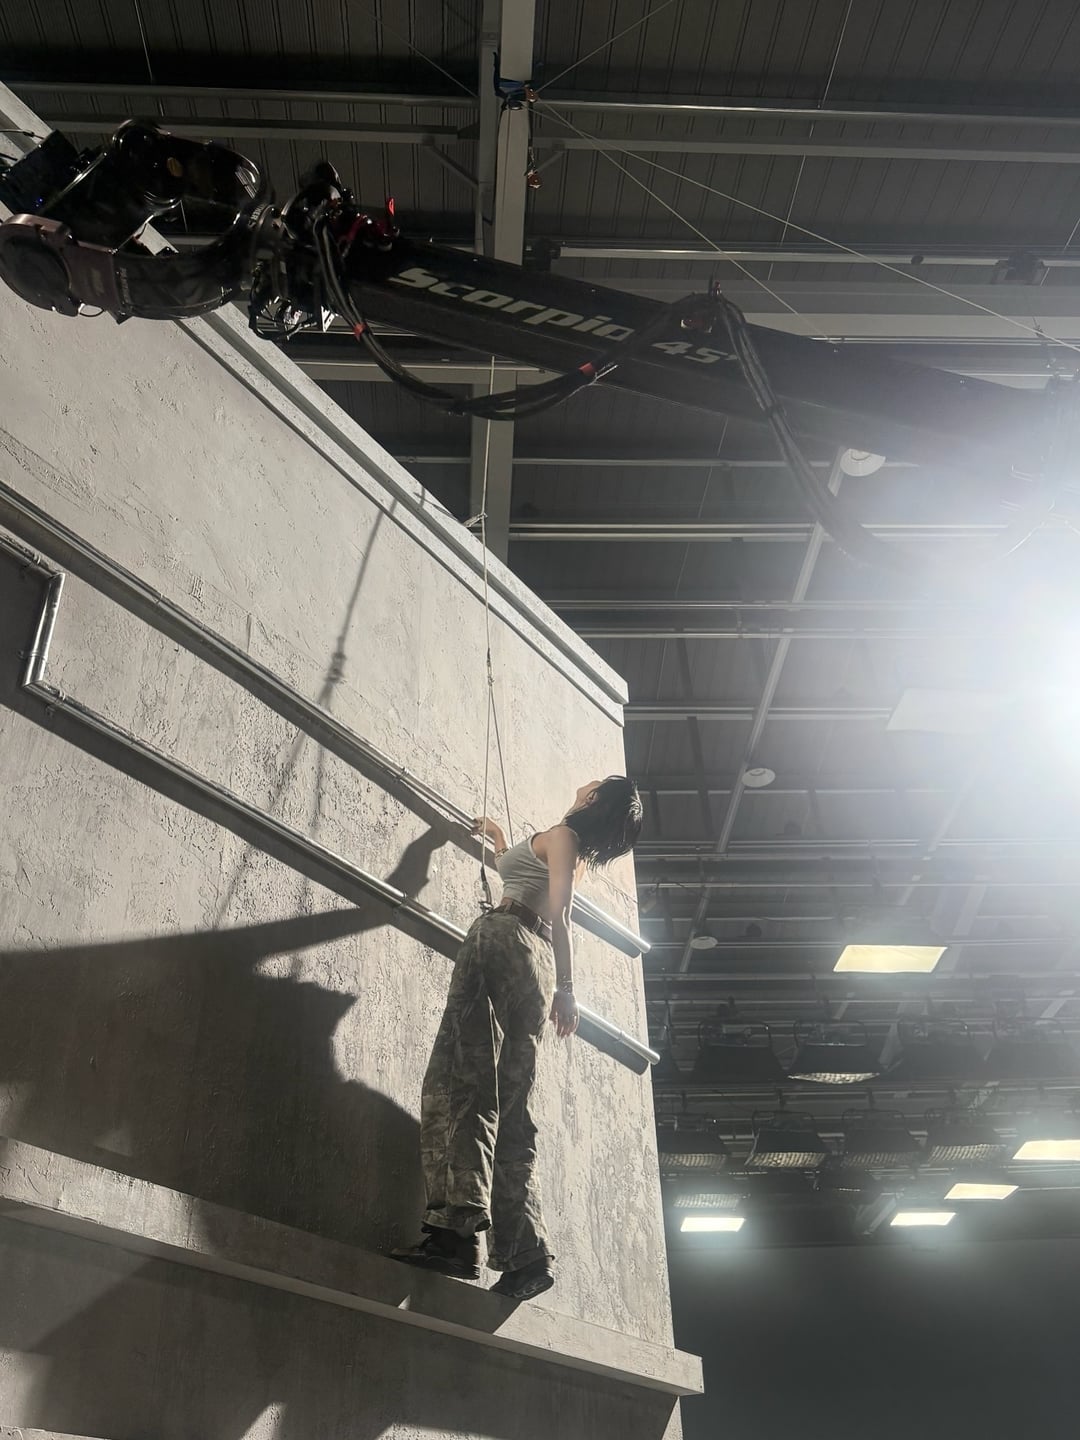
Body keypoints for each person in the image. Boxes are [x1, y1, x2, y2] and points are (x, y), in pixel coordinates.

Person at [391, 776, 643, 1300]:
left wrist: (570, 990)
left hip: (506, 939)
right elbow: (530, 885)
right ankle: (524, 1255)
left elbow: (562, 914)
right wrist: (502, 840)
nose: (588, 781)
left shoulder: (564, 836)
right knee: (510, 1103)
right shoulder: (563, 844)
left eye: (597, 783)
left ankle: (455, 1235)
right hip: (531, 959)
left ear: (593, 798)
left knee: (458, 1082)